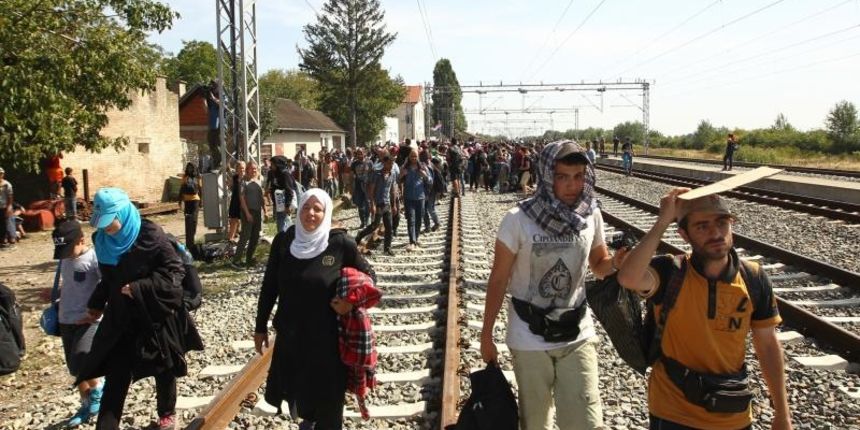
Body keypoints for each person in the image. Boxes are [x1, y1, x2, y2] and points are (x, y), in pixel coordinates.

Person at [616, 189, 791, 430]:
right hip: (674, 412)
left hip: (732, 413)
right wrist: (662, 221)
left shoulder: (753, 278)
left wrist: (782, 413)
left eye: (722, 223)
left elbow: (768, 345)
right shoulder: (671, 271)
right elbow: (628, 278)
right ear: (684, 235)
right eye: (702, 226)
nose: (716, 233)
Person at [480, 141, 618, 430]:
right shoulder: (518, 220)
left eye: (579, 176)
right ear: (546, 175)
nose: (572, 185)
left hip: (576, 332)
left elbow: (599, 264)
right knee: (536, 422)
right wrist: (487, 334)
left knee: (586, 422)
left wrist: (620, 261)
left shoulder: (590, 214)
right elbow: (499, 279)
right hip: (529, 337)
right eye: (562, 177)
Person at [76, 188, 203, 430]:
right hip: (122, 317)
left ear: (122, 213)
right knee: (116, 373)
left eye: (109, 222)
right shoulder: (102, 241)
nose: (106, 228)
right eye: (101, 224)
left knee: (163, 367)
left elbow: (175, 272)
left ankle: (167, 412)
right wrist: (95, 304)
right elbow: (109, 280)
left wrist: (139, 287)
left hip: (154, 313)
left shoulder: (150, 234)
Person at [254, 189, 375, 430]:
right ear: (298, 210)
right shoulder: (284, 242)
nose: (311, 213)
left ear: (326, 212)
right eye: (306, 208)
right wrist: (260, 327)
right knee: (301, 399)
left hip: (329, 341)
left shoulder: (340, 244)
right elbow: (269, 287)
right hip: (292, 339)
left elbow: (370, 278)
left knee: (329, 407)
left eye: (317, 209)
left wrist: (350, 302)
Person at [52, 220, 104, 427]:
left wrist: (100, 310)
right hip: (66, 318)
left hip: (88, 318)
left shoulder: (93, 259)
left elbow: (106, 287)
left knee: (81, 360)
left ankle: (98, 388)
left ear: (81, 240)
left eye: (67, 248)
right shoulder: (64, 259)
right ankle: (87, 403)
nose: (64, 253)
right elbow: (69, 284)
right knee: (74, 370)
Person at [355, 152, 398, 256]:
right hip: (378, 203)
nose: (391, 166)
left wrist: (394, 205)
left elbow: (392, 190)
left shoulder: (392, 174)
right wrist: (372, 204)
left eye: (392, 164)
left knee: (389, 227)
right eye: (389, 164)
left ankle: (387, 248)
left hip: (386, 203)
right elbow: (371, 190)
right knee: (375, 225)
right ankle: (360, 235)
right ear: (384, 163)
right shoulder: (377, 174)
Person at [233, 161, 266, 268]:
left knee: (255, 237)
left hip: (257, 212)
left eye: (255, 168)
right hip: (248, 211)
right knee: (245, 236)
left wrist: (265, 211)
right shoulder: (243, 182)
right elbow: (241, 199)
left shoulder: (259, 181)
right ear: (247, 170)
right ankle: (236, 260)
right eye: (252, 168)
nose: (254, 170)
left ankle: (249, 258)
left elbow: (261, 197)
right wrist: (247, 214)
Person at [399, 148, 430, 250]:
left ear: (418, 157)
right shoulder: (405, 167)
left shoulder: (423, 167)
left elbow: (430, 180)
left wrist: (425, 176)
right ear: (409, 157)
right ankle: (412, 241)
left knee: (418, 220)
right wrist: (401, 175)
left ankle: (415, 239)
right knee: (411, 220)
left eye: (415, 156)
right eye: (412, 156)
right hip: (408, 198)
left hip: (420, 197)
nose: (413, 158)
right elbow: (397, 180)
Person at [179, 163, 203, 250]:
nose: (189, 169)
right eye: (188, 168)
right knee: (189, 221)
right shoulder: (189, 177)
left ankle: (191, 241)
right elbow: (182, 189)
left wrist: (201, 202)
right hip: (190, 201)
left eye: (190, 168)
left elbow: (200, 190)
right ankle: (189, 243)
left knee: (193, 221)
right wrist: (180, 201)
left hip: (194, 201)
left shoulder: (195, 177)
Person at [351, 148, 372, 229]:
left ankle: (366, 220)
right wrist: (351, 186)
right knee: (360, 205)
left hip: (367, 186)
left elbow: (372, 174)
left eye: (361, 153)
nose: (360, 155)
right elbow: (352, 175)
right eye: (358, 153)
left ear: (364, 153)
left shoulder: (369, 162)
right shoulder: (354, 164)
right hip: (358, 186)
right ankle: (362, 222)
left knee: (367, 204)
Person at [204, 81, 222, 171]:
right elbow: (206, 109)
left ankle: (221, 162)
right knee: (211, 144)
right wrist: (204, 98)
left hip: (220, 126)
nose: (213, 87)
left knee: (219, 144)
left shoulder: (223, 94)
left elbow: (222, 104)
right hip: (212, 125)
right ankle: (215, 162)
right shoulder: (210, 97)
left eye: (215, 85)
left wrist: (213, 97)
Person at [227, 161, 246, 242]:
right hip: (235, 200)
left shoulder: (247, 177)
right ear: (236, 169)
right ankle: (231, 238)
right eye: (240, 168)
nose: (242, 170)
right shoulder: (234, 177)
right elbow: (231, 187)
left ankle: (245, 238)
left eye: (243, 168)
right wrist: (229, 185)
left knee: (245, 220)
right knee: (233, 219)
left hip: (245, 201)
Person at [0, 167, 15, 247]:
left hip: (4, 206)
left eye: (1, 173)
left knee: (5, 223)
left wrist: (9, 207)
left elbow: (10, 197)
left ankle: (5, 239)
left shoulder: (7, 184)